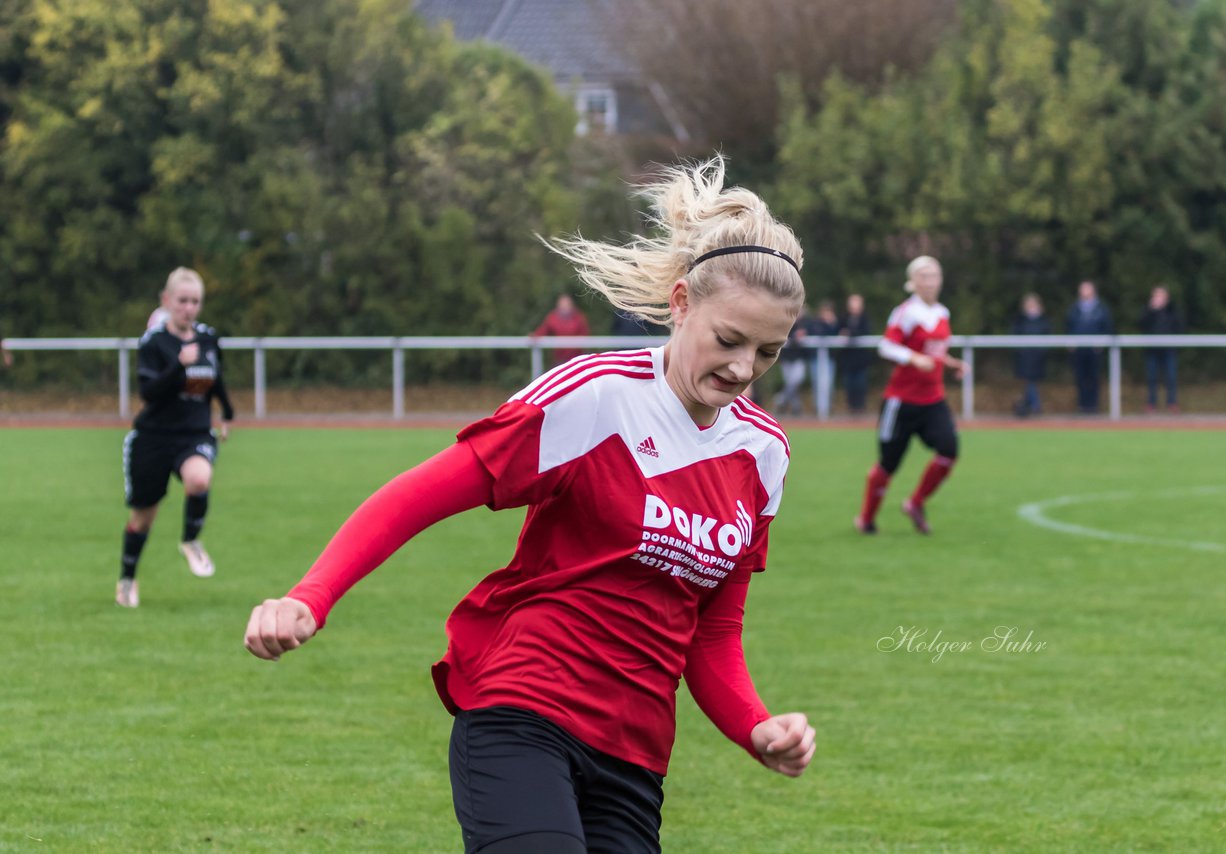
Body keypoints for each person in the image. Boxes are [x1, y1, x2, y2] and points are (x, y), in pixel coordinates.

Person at [243, 157, 817, 854]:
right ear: (681, 304)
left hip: (635, 757)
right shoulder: (595, 397)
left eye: (768, 352)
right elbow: (419, 495)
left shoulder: (764, 454)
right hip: (524, 712)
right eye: (729, 340)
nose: (743, 368)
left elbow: (712, 630)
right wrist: (312, 596)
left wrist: (756, 726)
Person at [117, 267, 234, 608]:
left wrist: (226, 412)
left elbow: (217, 379)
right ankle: (126, 580)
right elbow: (149, 392)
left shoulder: (209, 339)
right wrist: (178, 367)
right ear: (167, 301)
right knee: (143, 518)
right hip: (153, 437)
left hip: (194, 433)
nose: (189, 308)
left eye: (195, 301)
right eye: (182, 301)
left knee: (199, 479)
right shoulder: (154, 343)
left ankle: (191, 540)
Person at [854, 256, 967, 535]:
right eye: (924, 276)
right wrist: (914, 359)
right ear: (913, 282)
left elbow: (935, 352)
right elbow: (887, 347)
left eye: (935, 275)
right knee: (888, 464)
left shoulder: (942, 312)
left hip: (933, 400)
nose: (930, 281)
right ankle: (866, 519)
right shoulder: (906, 312)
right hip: (901, 402)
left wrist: (951, 363)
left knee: (949, 451)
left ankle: (915, 503)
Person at [1065, 280, 1113, 414]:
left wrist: (1102, 342)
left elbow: (1107, 326)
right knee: (1080, 377)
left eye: (1087, 289)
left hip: (1094, 349)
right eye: (1082, 289)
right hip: (1079, 349)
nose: (1084, 292)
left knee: (1094, 377)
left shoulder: (1101, 308)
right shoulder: (1074, 308)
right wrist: (1070, 341)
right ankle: (1082, 406)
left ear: (1093, 291)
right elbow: (1068, 326)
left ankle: (1093, 406)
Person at [1140, 285, 1183, 412]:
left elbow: (1180, 327)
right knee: (1151, 377)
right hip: (1152, 350)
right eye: (1156, 296)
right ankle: (1151, 403)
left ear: (1167, 298)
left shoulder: (1172, 311)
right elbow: (1141, 324)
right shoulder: (1148, 311)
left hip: (1169, 350)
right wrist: (1151, 310)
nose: (1159, 299)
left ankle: (1172, 403)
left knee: (1171, 377)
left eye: (1161, 296)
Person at [1011, 293, 1050, 417]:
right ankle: (1032, 406)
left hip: (1038, 356)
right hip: (1025, 357)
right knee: (1029, 382)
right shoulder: (1020, 320)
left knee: (1031, 382)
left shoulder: (1043, 320)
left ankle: (1030, 406)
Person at [532, 292, 591, 366]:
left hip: (576, 358)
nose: (564, 307)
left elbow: (585, 335)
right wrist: (536, 335)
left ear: (571, 305)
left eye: (566, 304)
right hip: (559, 359)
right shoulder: (553, 317)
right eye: (562, 304)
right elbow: (544, 329)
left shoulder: (579, 317)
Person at [772, 304, 810, 416]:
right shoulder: (786, 323)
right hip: (787, 358)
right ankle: (796, 408)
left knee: (796, 380)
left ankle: (780, 399)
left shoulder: (806, 323)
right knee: (791, 383)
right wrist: (795, 337)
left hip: (799, 358)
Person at [837, 294, 873, 412]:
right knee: (849, 385)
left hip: (860, 359)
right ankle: (851, 408)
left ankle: (860, 407)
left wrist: (850, 333)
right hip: (848, 358)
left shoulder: (865, 318)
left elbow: (866, 331)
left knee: (860, 384)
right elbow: (838, 331)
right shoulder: (844, 318)